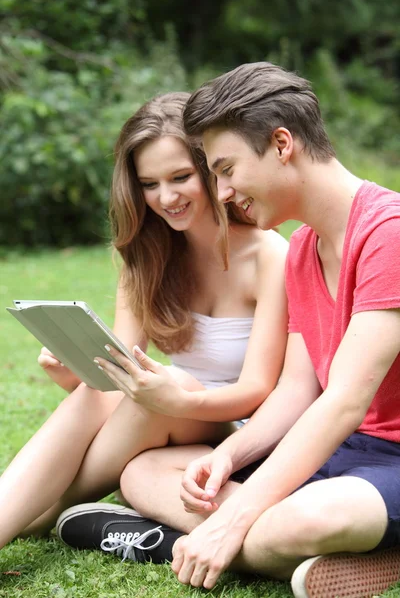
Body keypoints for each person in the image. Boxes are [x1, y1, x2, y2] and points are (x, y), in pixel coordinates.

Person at [57, 63, 400, 598]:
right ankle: (320, 552)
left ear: (281, 143)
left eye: (226, 169)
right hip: (332, 449)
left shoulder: (388, 234)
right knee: (144, 472)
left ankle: (169, 543)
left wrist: (236, 517)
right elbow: (298, 391)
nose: (220, 192)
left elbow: (343, 403)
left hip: (388, 457)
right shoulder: (305, 250)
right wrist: (229, 457)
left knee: (308, 519)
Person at [0, 91, 288, 553]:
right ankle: (17, 515)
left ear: (212, 169)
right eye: (149, 184)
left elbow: (259, 390)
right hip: (167, 413)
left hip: (240, 430)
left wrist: (175, 395)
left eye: (180, 177)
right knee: (106, 388)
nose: (166, 198)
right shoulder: (146, 256)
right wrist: (72, 373)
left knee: (159, 386)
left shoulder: (269, 257)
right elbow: (113, 381)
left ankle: (41, 511)